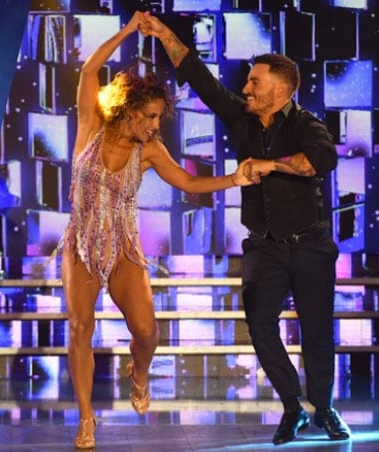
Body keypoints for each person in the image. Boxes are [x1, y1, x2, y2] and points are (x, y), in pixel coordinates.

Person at [140, 12, 350, 445]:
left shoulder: (307, 126)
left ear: (281, 90)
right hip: (263, 248)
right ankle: (292, 406)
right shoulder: (242, 118)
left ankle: (324, 407)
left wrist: (269, 164)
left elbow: (320, 161)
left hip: (311, 246)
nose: (246, 88)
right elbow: (199, 77)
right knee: (259, 324)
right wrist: (163, 33)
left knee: (316, 332)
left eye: (255, 83)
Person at [62, 11, 255, 449]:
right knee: (80, 328)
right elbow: (91, 70)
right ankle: (87, 419)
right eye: (148, 115)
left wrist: (234, 179)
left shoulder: (150, 150)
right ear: (127, 110)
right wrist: (129, 30)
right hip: (81, 244)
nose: (154, 124)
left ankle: (140, 370)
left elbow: (188, 183)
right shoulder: (91, 126)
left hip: (124, 247)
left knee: (147, 333)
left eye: (158, 117)